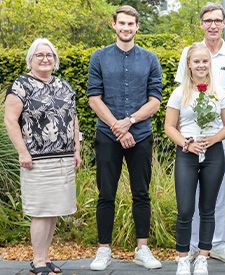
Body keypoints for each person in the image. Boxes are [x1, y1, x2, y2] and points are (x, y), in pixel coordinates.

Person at [87, 5, 163, 271]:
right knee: (106, 193)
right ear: (114, 24)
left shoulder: (150, 59)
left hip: (140, 135)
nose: (126, 28)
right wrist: (117, 128)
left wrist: (129, 123)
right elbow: (94, 98)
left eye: (131, 24)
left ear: (137, 26)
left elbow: (155, 100)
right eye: (122, 23)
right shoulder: (98, 57)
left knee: (141, 194)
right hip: (107, 135)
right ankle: (103, 250)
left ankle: (142, 249)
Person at [3, 38, 81, 275]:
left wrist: (77, 149)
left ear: (55, 59)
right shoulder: (20, 85)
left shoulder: (63, 86)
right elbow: (10, 120)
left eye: (49, 55)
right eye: (40, 55)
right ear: (31, 59)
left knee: (54, 210)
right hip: (36, 160)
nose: (45, 59)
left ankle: (45, 259)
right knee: (40, 210)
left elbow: (73, 118)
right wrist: (22, 151)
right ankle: (37, 261)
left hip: (64, 159)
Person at [174, 2, 225, 264]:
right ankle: (193, 246)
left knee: (223, 191)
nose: (213, 25)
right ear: (202, 24)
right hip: (191, 142)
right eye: (208, 21)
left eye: (217, 20)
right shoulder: (189, 52)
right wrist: (184, 140)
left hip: (222, 137)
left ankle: (220, 244)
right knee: (190, 196)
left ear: (224, 24)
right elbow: (182, 96)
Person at [165, 42, 225, 275]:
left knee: (207, 208)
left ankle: (203, 257)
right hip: (187, 152)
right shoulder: (179, 93)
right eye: (197, 61)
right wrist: (186, 143)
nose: (201, 65)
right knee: (185, 208)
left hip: (213, 153)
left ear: (209, 64)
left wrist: (213, 140)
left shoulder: (219, 92)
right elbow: (169, 127)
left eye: (205, 61)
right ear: (189, 65)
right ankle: (183, 258)